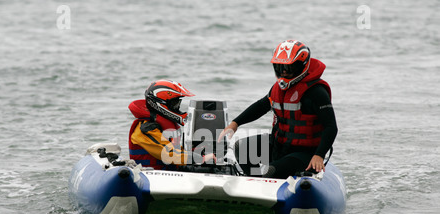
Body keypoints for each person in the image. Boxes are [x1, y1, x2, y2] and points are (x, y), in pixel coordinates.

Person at [218, 40, 338, 178]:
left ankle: (269, 181)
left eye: (289, 68)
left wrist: (319, 155)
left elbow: (331, 127)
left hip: (305, 153)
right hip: (279, 146)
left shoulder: (317, 92)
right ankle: (254, 181)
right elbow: (261, 106)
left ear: (302, 66)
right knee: (242, 147)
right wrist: (235, 124)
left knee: (271, 170)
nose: (284, 72)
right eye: (280, 67)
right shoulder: (278, 88)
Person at [128, 79, 216, 169]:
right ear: (160, 104)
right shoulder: (145, 129)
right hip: (151, 175)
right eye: (174, 104)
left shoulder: (164, 125)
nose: (177, 107)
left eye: (178, 104)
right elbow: (168, 154)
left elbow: (176, 151)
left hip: (168, 172)